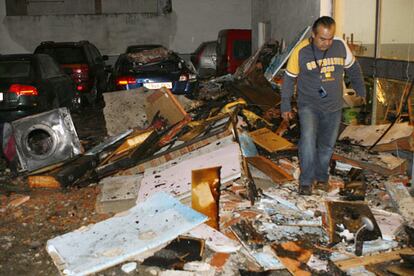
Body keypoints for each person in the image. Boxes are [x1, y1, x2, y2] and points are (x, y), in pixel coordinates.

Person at [280, 16, 366, 195]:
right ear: (313, 34)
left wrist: (361, 91)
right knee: (308, 141)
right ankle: (305, 182)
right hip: (308, 105)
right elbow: (288, 79)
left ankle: (321, 179)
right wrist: (285, 105)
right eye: (322, 38)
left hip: (334, 105)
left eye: (330, 38)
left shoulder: (340, 45)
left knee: (327, 145)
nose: (327, 43)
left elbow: (354, 69)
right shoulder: (301, 50)